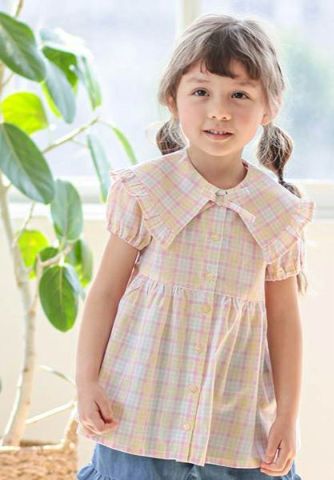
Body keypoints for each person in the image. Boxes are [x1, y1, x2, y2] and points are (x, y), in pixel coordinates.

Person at [75, 13, 316, 480]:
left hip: (235, 425)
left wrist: (288, 416)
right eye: (201, 92)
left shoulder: (278, 211)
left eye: (239, 95)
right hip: (138, 414)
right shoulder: (145, 190)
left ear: (269, 108)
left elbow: (285, 320)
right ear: (173, 99)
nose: (219, 111)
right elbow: (104, 294)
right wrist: (87, 382)